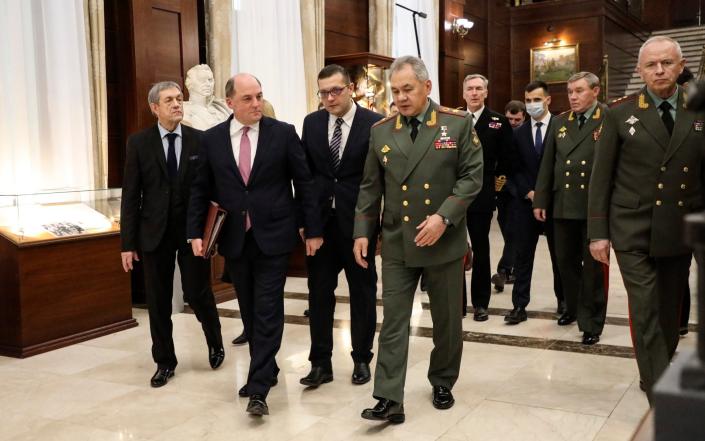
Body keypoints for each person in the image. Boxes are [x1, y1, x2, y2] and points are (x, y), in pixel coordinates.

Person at [353, 55, 483, 423]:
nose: (401, 97)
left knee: (446, 320)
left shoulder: (455, 124)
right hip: (397, 240)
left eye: (408, 89)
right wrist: (363, 231)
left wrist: (444, 217)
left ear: (427, 87)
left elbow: (472, 177)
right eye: (395, 91)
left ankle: (442, 380)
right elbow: (369, 187)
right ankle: (388, 397)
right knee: (393, 320)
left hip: (443, 238)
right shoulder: (381, 130)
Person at [187, 73, 323, 416]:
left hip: (274, 235)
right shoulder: (212, 140)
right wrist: (195, 234)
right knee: (249, 310)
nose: (256, 103)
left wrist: (312, 227)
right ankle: (269, 366)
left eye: (259, 96)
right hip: (235, 238)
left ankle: (259, 386)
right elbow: (200, 190)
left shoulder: (283, 133)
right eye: (247, 98)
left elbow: (304, 183)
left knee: (267, 308)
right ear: (230, 103)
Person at [588, 36, 705, 400]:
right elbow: (601, 176)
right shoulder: (619, 112)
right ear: (639, 70)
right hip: (633, 225)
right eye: (651, 64)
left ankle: (655, 365)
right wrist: (598, 233)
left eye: (666, 63)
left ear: (681, 65)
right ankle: (659, 387)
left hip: (679, 225)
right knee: (645, 305)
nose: (659, 70)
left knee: (670, 309)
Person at [120, 81, 224, 388]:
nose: (177, 104)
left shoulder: (199, 140)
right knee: (158, 299)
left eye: (179, 98)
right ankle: (164, 361)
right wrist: (128, 243)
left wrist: (209, 233)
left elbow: (210, 190)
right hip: (153, 233)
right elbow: (131, 195)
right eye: (169, 100)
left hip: (192, 233)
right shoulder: (138, 143)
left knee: (197, 292)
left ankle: (215, 341)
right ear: (155, 108)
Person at [298, 64, 383, 388]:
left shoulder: (374, 124)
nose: (329, 98)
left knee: (362, 293)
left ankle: (362, 358)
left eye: (335, 90)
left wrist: (374, 228)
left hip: (358, 226)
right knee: (319, 295)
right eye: (323, 92)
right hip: (321, 226)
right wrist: (306, 223)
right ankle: (320, 363)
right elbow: (305, 178)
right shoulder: (312, 122)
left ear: (351, 88)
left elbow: (379, 181)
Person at [533, 72, 608, 345]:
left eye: (579, 91)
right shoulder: (560, 122)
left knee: (592, 267)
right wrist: (541, 199)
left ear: (596, 91)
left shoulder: (607, 118)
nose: (573, 97)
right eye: (570, 92)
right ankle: (573, 308)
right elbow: (548, 163)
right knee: (564, 262)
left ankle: (592, 321)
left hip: (592, 205)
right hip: (562, 203)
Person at [505, 81, 565, 324]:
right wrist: (529, 192)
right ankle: (519, 305)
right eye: (528, 100)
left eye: (536, 100)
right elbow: (513, 168)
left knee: (559, 256)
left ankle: (564, 301)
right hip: (525, 202)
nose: (532, 105)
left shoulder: (561, 127)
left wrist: (546, 194)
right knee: (522, 256)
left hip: (555, 202)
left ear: (548, 100)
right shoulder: (518, 133)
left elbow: (563, 165)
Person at [462, 74, 515, 321]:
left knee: (481, 250)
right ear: (463, 93)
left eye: (479, 89)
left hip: (482, 195)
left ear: (485, 93)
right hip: (452, 195)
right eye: (470, 89)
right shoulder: (452, 120)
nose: (474, 93)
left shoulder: (498, 122)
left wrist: (495, 190)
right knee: (454, 250)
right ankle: (457, 301)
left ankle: (480, 303)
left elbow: (506, 162)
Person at [491, 100, 527, 292]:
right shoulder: (498, 131)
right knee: (508, 232)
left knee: (513, 233)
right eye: (510, 118)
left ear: (524, 117)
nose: (513, 122)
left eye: (517, 119)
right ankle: (513, 269)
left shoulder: (525, 134)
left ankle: (503, 271)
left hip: (519, 191)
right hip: (501, 190)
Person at [182, 64, 232, 130]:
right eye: (202, 80)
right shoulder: (183, 111)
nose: (208, 84)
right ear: (190, 83)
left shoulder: (222, 107)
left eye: (210, 80)